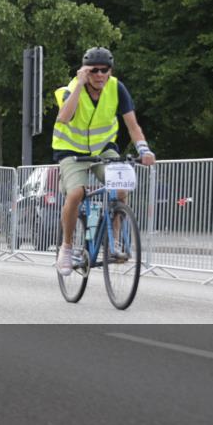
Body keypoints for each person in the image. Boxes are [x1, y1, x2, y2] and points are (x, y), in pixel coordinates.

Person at [52, 46, 156, 275]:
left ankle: (114, 242)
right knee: (76, 193)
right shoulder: (71, 88)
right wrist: (79, 84)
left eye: (105, 70)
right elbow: (64, 117)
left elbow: (132, 125)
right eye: (94, 70)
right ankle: (67, 247)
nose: (100, 75)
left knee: (120, 188)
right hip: (71, 151)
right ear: (85, 71)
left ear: (110, 70)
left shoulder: (117, 88)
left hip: (103, 149)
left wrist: (144, 149)